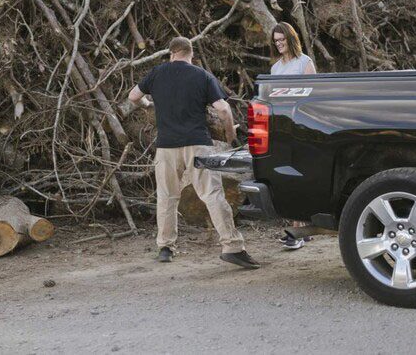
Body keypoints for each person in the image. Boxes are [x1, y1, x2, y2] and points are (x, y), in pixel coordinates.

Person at [128, 36, 260, 269]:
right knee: (212, 194)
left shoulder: (157, 73)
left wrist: (147, 105)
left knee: (167, 196)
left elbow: (133, 97)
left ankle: (165, 247)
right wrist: (230, 137)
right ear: (191, 54)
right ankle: (232, 247)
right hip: (197, 144)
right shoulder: (201, 75)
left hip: (166, 145)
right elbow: (223, 109)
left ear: (171, 53)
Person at [270, 22, 316, 249]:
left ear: (290, 39)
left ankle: (297, 231)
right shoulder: (275, 69)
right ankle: (297, 229)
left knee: (301, 173)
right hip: (282, 124)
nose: (279, 44)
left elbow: (313, 94)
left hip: (302, 124)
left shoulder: (304, 63)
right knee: (286, 175)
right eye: (276, 41)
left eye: (282, 40)